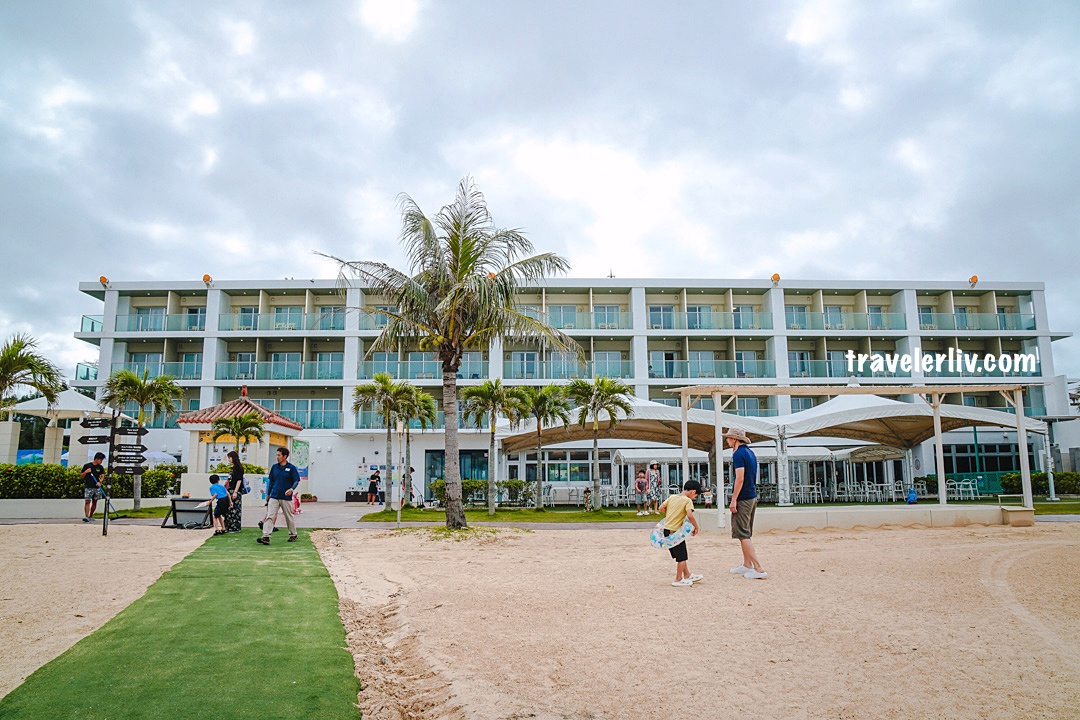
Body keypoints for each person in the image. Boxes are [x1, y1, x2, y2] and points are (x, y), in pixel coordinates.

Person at [724, 428, 767, 579]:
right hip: (751, 495)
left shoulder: (738, 454)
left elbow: (739, 478)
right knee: (746, 532)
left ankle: (758, 568)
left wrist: (734, 499)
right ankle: (747, 564)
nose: (727, 440)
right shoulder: (750, 452)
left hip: (743, 497)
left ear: (735, 439)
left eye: (729, 438)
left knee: (743, 533)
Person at [658, 479, 702, 587]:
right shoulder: (687, 501)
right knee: (682, 557)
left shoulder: (672, 497)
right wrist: (696, 527)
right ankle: (678, 579)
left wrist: (672, 515)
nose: (694, 498)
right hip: (675, 531)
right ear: (692, 492)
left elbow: (661, 508)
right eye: (695, 496)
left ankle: (687, 575)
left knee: (680, 554)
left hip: (667, 530)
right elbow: (690, 516)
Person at [257, 447, 300, 545]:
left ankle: (293, 534)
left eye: (279, 455)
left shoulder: (291, 468)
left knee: (288, 516)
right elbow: (271, 481)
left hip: (286, 497)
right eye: (277, 455)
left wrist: (291, 489)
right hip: (274, 495)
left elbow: (296, 480)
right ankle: (266, 536)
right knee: (270, 515)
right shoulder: (274, 467)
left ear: (285, 456)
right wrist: (268, 494)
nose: (277, 457)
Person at [223, 450, 245, 533]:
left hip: (235, 490)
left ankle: (235, 527)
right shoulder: (233, 468)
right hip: (230, 490)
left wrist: (235, 491)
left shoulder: (238, 468)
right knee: (230, 509)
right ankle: (228, 526)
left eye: (229, 458)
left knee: (235, 509)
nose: (229, 459)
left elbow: (239, 480)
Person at [80, 452, 106, 522]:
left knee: (95, 502)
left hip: (96, 487)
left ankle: (91, 515)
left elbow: (102, 476)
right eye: (101, 460)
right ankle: (86, 516)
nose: (101, 462)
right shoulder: (87, 465)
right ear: (97, 459)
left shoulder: (100, 467)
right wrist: (86, 472)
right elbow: (81, 475)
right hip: (88, 486)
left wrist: (100, 482)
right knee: (87, 501)